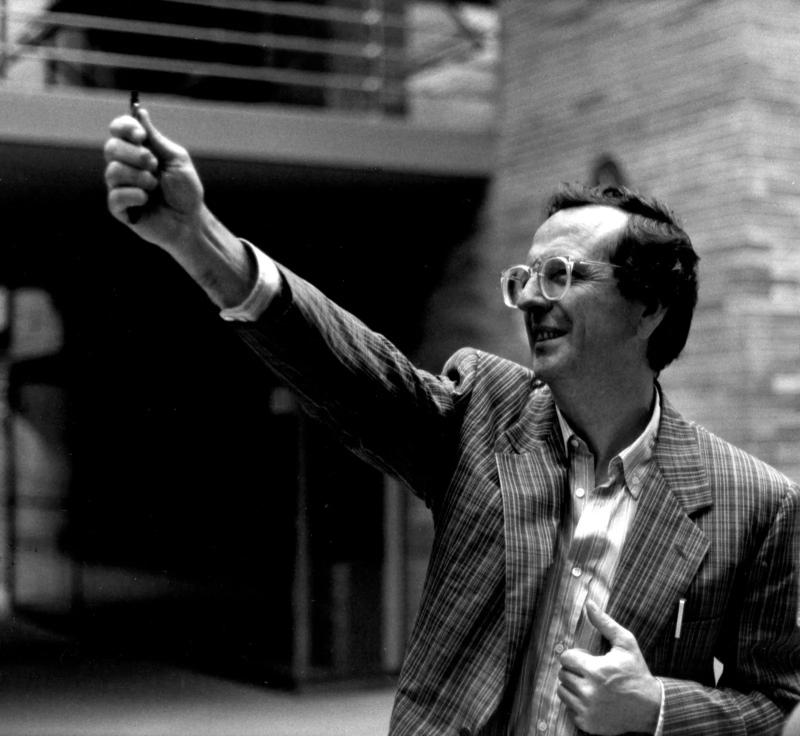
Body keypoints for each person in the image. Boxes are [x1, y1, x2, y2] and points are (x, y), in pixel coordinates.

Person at [103, 108, 800, 736]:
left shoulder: (754, 504)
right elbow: (349, 370)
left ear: (648, 307)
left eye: (560, 274)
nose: (531, 299)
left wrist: (656, 708)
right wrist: (200, 239)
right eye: (523, 279)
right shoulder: (483, 414)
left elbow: (770, 701)